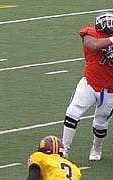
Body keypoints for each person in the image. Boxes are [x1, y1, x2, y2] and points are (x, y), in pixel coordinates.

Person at [62, 11, 113, 160]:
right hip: (90, 82)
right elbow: (92, 46)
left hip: (110, 89)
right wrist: (111, 39)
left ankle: (97, 147)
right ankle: (64, 149)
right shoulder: (90, 33)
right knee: (73, 112)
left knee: (100, 123)